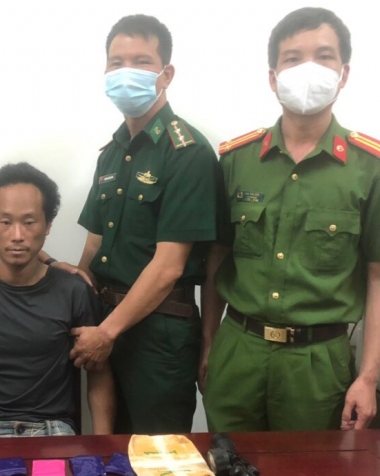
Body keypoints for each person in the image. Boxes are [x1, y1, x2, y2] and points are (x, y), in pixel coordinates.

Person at [201, 7, 380, 432]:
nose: (308, 69)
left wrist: (369, 377)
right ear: (273, 77)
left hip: (318, 364)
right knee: (226, 464)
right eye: (292, 58)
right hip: (238, 349)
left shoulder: (375, 168)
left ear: (343, 73)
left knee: (310, 469)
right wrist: (209, 342)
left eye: (323, 57)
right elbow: (217, 258)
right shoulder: (236, 161)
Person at [70, 14, 222, 434]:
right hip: (105, 319)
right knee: (108, 450)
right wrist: (74, 300)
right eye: (116, 63)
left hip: (159, 334)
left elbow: (169, 266)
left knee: (159, 454)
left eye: (141, 62)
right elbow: (94, 245)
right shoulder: (111, 152)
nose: (126, 72)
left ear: (165, 74)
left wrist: (106, 333)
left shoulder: (186, 152)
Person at [0, 163, 115, 437]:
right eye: (5, 222)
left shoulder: (74, 291)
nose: (17, 236)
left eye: (29, 222)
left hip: (54, 432)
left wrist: (103, 445)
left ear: (48, 226)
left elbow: (98, 374)